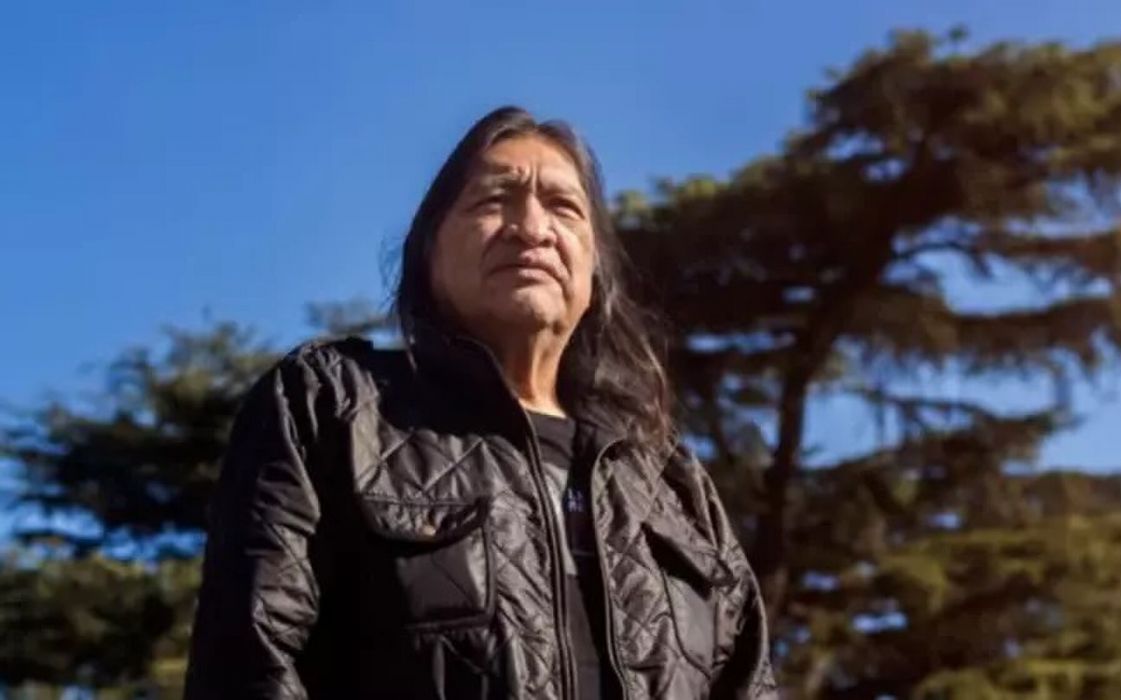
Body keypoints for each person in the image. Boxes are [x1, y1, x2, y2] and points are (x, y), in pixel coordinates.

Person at [184, 106, 778, 699]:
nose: (532, 228)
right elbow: (249, 661)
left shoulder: (671, 481)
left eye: (564, 207)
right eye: (495, 200)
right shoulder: (333, 404)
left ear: (594, 266)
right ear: (428, 251)